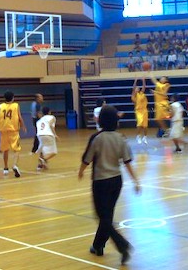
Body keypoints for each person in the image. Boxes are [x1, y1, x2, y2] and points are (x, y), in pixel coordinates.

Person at [78, 105, 140, 265]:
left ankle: (122, 245)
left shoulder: (97, 138)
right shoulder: (121, 138)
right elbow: (127, 162)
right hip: (116, 182)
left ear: (102, 120)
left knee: (102, 216)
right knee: (107, 216)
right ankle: (98, 246)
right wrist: (136, 181)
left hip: (100, 182)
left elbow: (87, 158)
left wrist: (81, 171)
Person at [0, 91, 26, 177]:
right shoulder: (16, 105)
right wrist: (23, 126)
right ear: (13, 98)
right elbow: (19, 117)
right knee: (16, 149)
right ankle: (15, 165)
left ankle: (5, 168)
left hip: (3, 130)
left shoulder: (1, 106)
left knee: (5, 149)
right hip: (13, 130)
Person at [131, 78, 148, 144]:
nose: (137, 89)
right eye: (136, 88)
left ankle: (145, 137)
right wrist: (135, 81)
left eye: (138, 88)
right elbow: (133, 88)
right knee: (139, 123)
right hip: (138, 111)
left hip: (145, 111)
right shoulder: (134, 96)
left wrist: (143, 80)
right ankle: (138, 136)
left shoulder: (141, 93)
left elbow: (144, 87)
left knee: (145, 126)